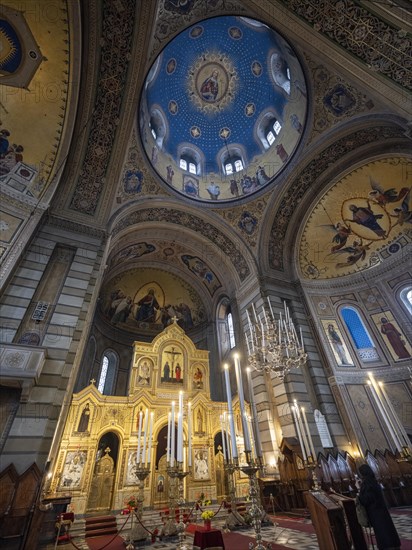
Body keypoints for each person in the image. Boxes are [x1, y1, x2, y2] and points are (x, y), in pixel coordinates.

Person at [357, 463, 400, 550]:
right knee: (386, 530)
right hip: (380, 511)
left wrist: (358, 489)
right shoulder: (373, 481)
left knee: (382, 532)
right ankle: (393, 545)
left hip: (376, 512)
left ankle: (388, 546)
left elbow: (366, 500)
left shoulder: (367, 484)